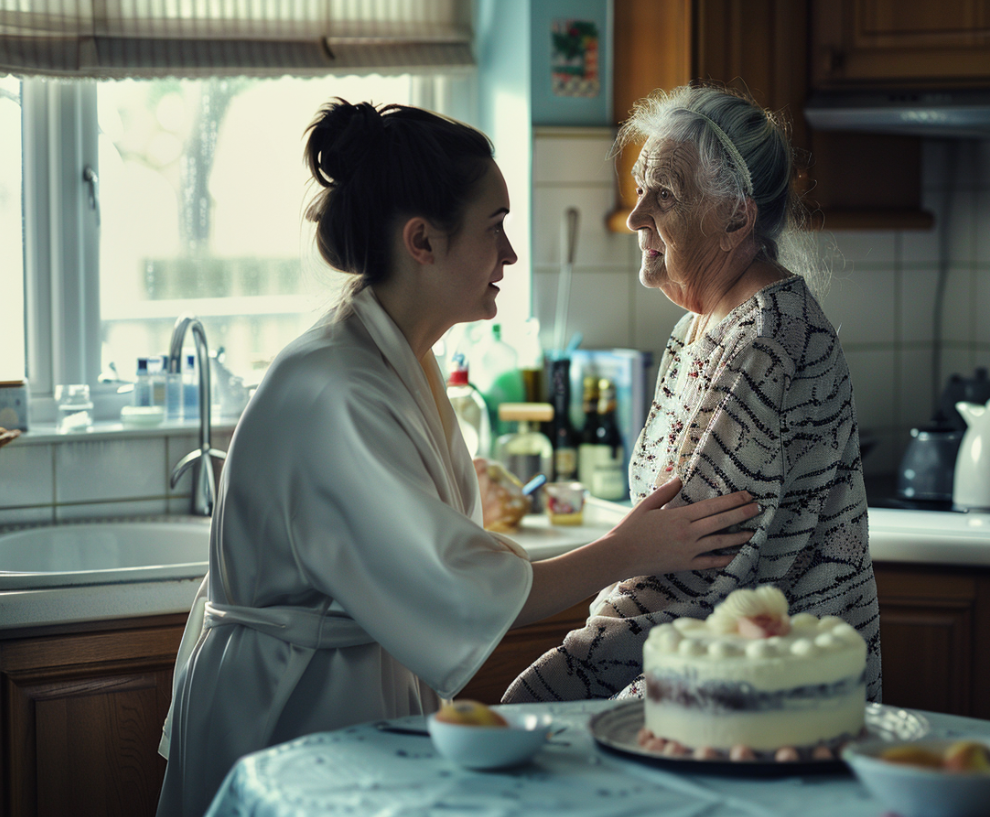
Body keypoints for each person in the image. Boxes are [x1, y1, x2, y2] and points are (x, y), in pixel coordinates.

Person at [155, 100, 759, 817]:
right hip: (288, 709)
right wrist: (630, 549)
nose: (508, 254)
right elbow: (459, 588)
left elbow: (426, 550)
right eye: (495, 227)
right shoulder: (333, 387)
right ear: (422, 241)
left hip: (350, 692)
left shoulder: (392, 358)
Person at [503, 84, 882, 705]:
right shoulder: (697, 328)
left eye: (666, 195)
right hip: (711, 671)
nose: (635, 216)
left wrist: (558, 681)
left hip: (765, 689)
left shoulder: (766, 340)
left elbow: (696, 571)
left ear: (737, 214)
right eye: (641, 187)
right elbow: (665, 543)